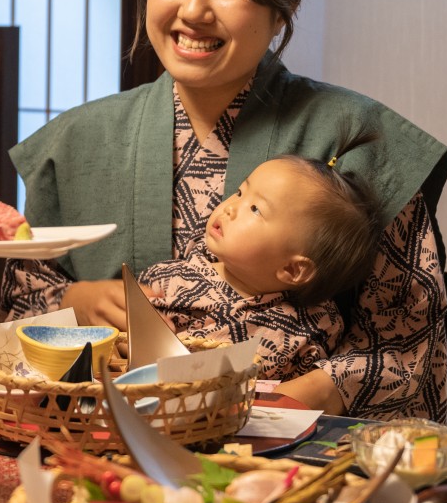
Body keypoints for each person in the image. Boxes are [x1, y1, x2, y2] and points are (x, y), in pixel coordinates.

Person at [1, 0, 447, 420]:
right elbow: (11, 331)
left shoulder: (356, 138)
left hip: (297, 456)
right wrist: (72, 303)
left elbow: (409, 345)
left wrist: (296, 398)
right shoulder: (76, 142)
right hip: (96, 445)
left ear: (281, 8)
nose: (192, 11)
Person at [141, 154, 380, 392]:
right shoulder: (171, 281)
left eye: (255, 209)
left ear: (292, 269)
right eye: (240, 192)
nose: (230, 208)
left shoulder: (315, 327)